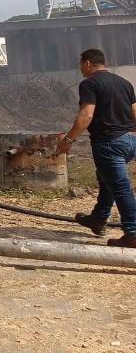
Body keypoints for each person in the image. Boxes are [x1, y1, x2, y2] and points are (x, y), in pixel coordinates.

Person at [58, 48, 136, 248]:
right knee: (106, 178)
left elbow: (86, 115)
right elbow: (134, 112)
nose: (80, 68)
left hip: (109, 143)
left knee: (120, 187)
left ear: (88, 63)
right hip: (129, 141)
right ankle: (98, 219)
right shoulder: (124, 83)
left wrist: (68, 140)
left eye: (80, 64)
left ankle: (133, 232)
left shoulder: (89, 84)